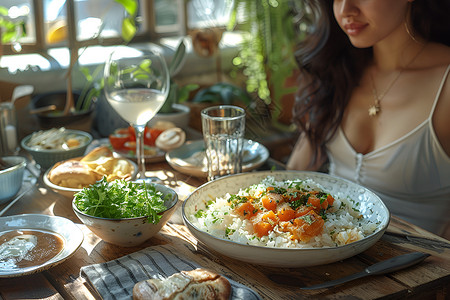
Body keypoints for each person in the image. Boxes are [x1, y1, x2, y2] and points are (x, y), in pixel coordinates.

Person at [287, 0, 450, 239]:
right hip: (330, 259)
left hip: (420, 269)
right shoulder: (338, 70)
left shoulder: (444, 82)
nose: (345, 10)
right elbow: (294, 176)